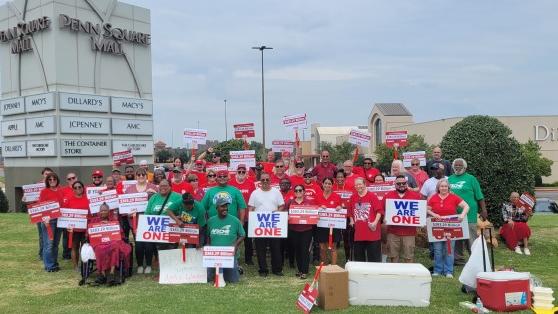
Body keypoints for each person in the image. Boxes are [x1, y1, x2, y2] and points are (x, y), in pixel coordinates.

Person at [137, 179, 182, 274]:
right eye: (161, 186)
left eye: (165, 186)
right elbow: (147, 214)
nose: (163, 188)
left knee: (166, 246)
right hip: (156, 229)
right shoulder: (154, 198)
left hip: (171, 228)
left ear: (170, 187)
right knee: (142, 242)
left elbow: (182, 212)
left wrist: (176, 218)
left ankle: (168, 266)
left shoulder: (177, 197)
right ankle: (151, 264)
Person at [426, 179, 469, 277]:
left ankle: (448, 271)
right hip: (437, 227)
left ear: (448, 187)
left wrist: (462, 215)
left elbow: (466, 206)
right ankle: (437, 270)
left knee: (449, 249)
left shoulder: (453, 197)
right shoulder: (433, 197)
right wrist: (434, 214)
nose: (443, 188)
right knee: (437, 250)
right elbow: (427, 209)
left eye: (445, 186)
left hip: (451, 227)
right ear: (438, 188)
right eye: (442, 186)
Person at [448, 158, 487, 265]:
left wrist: (484, 210)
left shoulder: (471, 179)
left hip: (470, 214)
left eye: (460, 165)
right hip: (454, 215)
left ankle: (475, 259)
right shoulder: (449, 179)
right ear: (453, 166)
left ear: (465, 167)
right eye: (456, 165)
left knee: (471, 238)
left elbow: (479, 196)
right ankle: (458, 259)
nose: (458, 167)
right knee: (457, 237)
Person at [248, 172, 285, 276]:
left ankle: (277, 269)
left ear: (270, 180)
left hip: (273, 224)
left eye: (267, 179)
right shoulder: (255, 193)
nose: (265, 181)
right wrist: (252, 219)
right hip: (260, 225)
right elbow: (251, 208)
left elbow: (282, 205)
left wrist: (278, 211)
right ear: (260, 181)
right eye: (263, 180)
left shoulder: (276, 192)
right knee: (260, 249)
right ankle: (263, 270)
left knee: (276, 248)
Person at [88, 202, 132, 285]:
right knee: (99, 249)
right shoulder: (94, 221)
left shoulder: (114, 221)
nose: (103, 212)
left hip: (112, 242)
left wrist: (108, 225)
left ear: (109, 212)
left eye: (105, 210)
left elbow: (120, 235)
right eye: (101, 210)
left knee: (115, 246)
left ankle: (111, 273)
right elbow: (89, 234)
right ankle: (103, 274)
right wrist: (100, 225)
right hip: (99, 243)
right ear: (99, 212)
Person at [206, 196, 246, 284]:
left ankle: (237, 268)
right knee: (209, 279)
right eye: (222, 206)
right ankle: (236, 268)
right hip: (214, 255)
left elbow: (242, 235)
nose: (225, 208)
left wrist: (235, 245)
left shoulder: (235, 220)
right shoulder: (211, 221)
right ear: (217, 208)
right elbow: (207, 235)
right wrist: (208, 244)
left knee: (233, 280)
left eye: (226, 206)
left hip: (229, 254)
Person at [384, 175, 422, 263]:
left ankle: (408, 274)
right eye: (399, 183)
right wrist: (385, 217)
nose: (401, 185)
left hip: (409, 232)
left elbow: (420, 211)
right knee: (393, 256)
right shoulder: (388, 195)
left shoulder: (415, 196)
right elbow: (382, 209)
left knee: (409, 256)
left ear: (407, 183)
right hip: (393, 231)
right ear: (395, 184)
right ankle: (394, 274)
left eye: (403, 183)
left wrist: (420, 219)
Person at [349, 178, 384, 262]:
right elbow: (350, 211)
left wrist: (375, 222)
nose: (358, 186)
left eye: (360, 184)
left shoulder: (372, 196)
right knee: (359, 258)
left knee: (374, 258)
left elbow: (379, 211)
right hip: (359, 233)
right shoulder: (353, 197)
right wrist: (351, 220)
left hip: (372, 232)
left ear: (365, 184)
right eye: (356, 185)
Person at [286, 185, 315, 279]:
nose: (298, 192)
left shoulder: (309, 202)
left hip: (306, 230)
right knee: (297, 250)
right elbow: (284, 211)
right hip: (294, 230)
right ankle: (299, 270)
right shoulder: (290, 202)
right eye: (296, 190)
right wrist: (287, 216)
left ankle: (305, 271)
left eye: (300, 190)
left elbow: (314, 214)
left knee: (305, 250)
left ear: (304, 192)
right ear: (294, 192)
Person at [38, 172, 65, 272]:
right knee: (48, 244)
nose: (52, 181)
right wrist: (44, 219)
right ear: (47, 181)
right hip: (48, 221)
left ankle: (54, 263)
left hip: (60, 220)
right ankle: (49, 266)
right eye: (50, 179)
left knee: (55, 244)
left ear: (57, 180)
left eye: (54, 179)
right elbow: (41, 206)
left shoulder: (61, 190)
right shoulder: (44, 191)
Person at [230, 164, 256, 265]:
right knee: (233, 238)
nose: (241, 173)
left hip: (247, 216)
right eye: (239, 172)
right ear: (236, 173)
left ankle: (248, 259)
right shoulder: (231, 183)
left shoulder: (250, 183)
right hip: (234, 216)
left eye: (243, 172)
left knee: (248, 239)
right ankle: (233, 257)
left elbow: (253, 199)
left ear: (246, 173)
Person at [63, 180, 89, 270]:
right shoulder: (69, 200)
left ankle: (84, 264)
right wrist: (67, 226)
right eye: (75, 187)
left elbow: (90, 213)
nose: (78, 189)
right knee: (74, 247)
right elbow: (64, 214)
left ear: (83, 188)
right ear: (73, 189)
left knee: (84, 247)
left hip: (85, 228)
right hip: (73, 229)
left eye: (79, 187)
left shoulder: (88, 199)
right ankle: (75, 266)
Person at [316, 177, 343, 265]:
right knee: (322, 247)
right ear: (322, 184)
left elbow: (341, 209)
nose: (327, 185)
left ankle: (333, 266)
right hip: (321, 225)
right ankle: (325, 265)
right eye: (325, 183)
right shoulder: (318, 195)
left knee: (332, 247)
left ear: (332, 185)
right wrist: (319, 207)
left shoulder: (337, 196)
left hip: (333, 226)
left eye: (329, 183)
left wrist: (340, 208)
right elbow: (313, 209)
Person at [333, 169, 354, 262]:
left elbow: (353, 201)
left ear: (345, 178)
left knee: (347, 239)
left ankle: (348, 258)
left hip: (347, 216)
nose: (340, 179)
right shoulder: (332, 187)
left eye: (342, 177)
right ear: (335, 178)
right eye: (338, 177)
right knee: (334, 239)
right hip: (335, 217)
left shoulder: (350, 187)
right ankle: (332, 259)